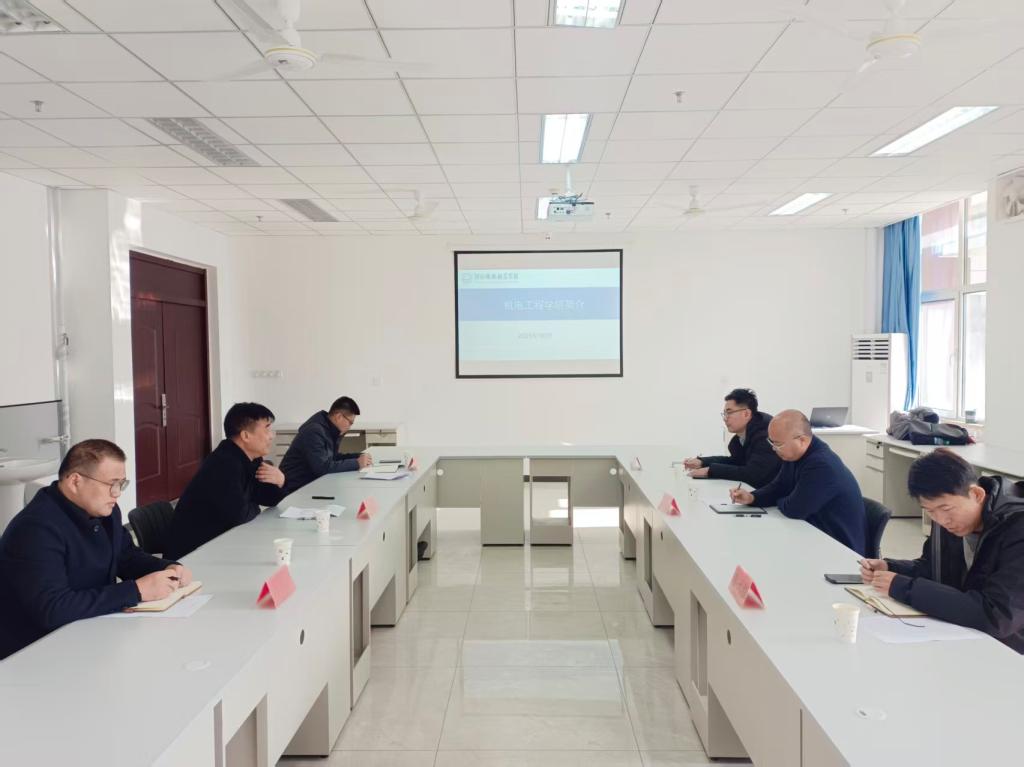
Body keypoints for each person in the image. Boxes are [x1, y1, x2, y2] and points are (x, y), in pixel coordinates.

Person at [0, 439, 192, 660]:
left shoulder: (105, 511)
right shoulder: (36, 528)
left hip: (89, 632)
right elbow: (53, 609)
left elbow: (125, 556)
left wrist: (167, 568)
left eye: (121, 484)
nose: (117, 493)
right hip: (34, 652)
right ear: (75, 481)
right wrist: (137, 591)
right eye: (112, 484)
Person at [860, 449, 1024, 652]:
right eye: (930, 511)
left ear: (976, 494)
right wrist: (891, 568)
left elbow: (998, 616)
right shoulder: (948, 520)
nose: (941, 520)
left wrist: (905, 588)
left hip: (1009, 652)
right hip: (964, 636)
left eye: (946, 509)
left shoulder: (1018, 528)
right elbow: (933, 569)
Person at [731, 409, 866, 554]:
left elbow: (795, 509)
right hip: (813, 534)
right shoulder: (794, 454)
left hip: (839, 547)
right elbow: (779, 486)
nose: (774, 448)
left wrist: (782, 499)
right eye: (771, 442)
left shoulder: (821, 464)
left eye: (778, 444)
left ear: (802, 440)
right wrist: (752, 497)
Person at [164, 402, 287, 560]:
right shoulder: (224, 464)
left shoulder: (251, 458)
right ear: (246, 436)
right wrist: (253, 506)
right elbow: (239, 517)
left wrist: (280, 481)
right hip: (194, 555)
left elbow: (267, 499)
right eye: (267, 428)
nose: (272, 435)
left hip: (223, 544)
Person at [683, 388, 780, 488]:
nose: (725, 418)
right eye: (724, 414)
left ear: (746, 414)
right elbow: (735, 462)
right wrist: (702, 462)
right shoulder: (740, 439)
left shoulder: (765, 436)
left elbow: (753, 474)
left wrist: (710, 471)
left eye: (729, 413)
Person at [279, 395, 372, 494]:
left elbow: (332, 458)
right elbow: (322, 468)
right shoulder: (314, 431)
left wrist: (358, 456)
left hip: (311, 483)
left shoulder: (329, 429)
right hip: (294, 489)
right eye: (350, 423)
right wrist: (357, 463)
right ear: (339, 417)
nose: (350, 427)